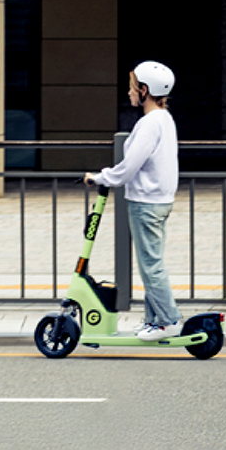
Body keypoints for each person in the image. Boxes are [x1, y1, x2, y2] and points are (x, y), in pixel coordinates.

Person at [83, 61, 183, 342]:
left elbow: (129, 167)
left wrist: (100, 177)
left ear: (144, 90)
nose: (128, 92)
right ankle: (154, 320)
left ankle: (168, 320)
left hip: (146, 203)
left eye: (131, 87)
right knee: (153, 262)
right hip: (160, 201)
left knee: (151, 265)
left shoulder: (149, 123)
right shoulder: (165, 118)